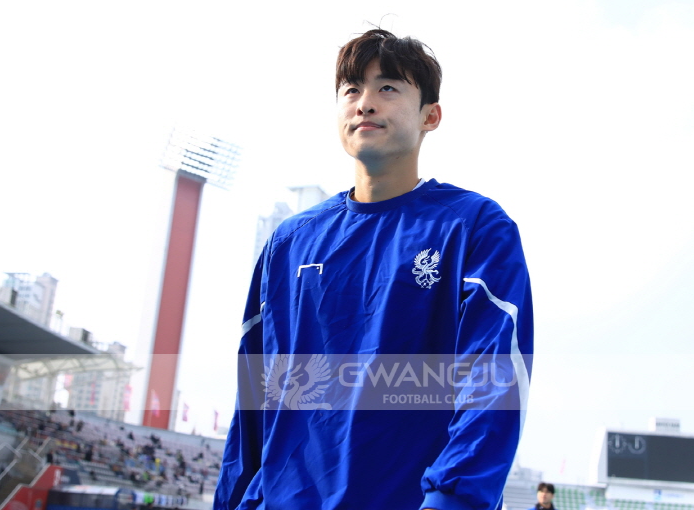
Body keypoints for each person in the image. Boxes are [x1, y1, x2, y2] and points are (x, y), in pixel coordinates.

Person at [215, 28, 534, 510]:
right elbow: (254, 396)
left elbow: (494, 377)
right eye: (351, 89)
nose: (365, 103)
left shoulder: (474, 226)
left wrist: (453, 499)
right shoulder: (289, 242)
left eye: (387, 87)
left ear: (430, 115)